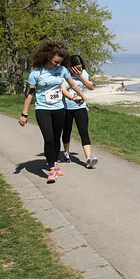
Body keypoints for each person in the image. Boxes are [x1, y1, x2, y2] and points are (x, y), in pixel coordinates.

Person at [17, 41, 86, 184]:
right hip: (42, 109)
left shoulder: (62, 70)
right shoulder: (36, 73)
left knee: (56, 138)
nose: (57, 65)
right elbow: (30, 94)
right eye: (55, 62)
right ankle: (51, 169)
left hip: (59, 109)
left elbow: (72, 84)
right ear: (48, 57)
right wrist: (24, 114)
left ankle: (55, 162)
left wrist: (81, 96)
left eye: (60, 62)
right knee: (48, 138)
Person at [61, 54, 99, 168]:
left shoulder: (84, 73)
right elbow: (63, 90)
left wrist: (80, 76)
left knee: (83, 131)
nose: (79, 70)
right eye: (77, 68)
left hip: (81, 107)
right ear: (70, 67)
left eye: (80, 67)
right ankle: (66, 153)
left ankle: (88, 158)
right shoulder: (64, 74)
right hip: (67, 107)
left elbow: (91, 87)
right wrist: (72, 97)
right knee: (66, 131)